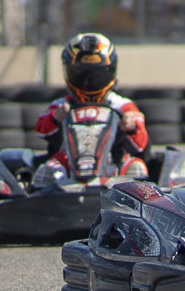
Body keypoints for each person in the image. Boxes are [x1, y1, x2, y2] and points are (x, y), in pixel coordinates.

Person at [32, 32, 149, 186]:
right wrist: (56, 118)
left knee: (136, 168)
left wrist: (131, 127)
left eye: (96, 76)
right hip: (69, 164)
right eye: (82, 75)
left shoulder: (122, 106)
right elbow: (40, 128)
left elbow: (142, 143)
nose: (88, 82)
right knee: (49, 170)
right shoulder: (62, 105)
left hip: (112, 162)